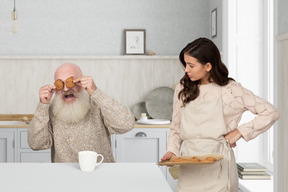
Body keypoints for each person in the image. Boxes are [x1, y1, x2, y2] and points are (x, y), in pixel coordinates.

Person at [161, 37, 280, 192]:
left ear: (208, 66)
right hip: (189, 167)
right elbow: (176, 127)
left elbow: (270, 112)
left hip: (219, 169)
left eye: (191, 65)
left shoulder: (231, 90)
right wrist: (172, 150)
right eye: (185, 65)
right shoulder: (182, 89)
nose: (186, 70)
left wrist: (239, 132)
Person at [28, 63, 135, 163]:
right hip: (64, 176)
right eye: (60, 84)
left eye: (71, 82)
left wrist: (95, 91)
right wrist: (42, 105)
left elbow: (126, 124)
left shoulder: (98, 103)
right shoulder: (51, 110)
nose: (66, 88)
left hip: (100, 173)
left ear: (81, 81)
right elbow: (36, 144)